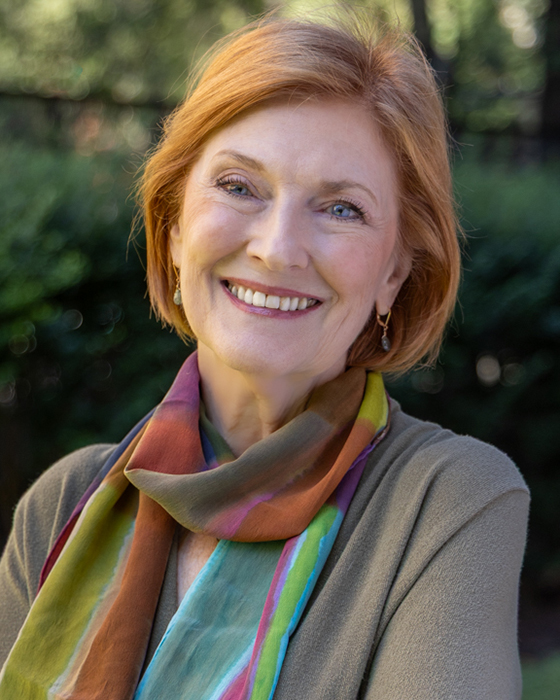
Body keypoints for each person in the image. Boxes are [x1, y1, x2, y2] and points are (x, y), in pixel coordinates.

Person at [0, 13, 529, 700]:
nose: (278, 249)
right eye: (238, 187)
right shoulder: (62, 505)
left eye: (341, 209)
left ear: (394, 273)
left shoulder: (446, 503)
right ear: (175, 228)